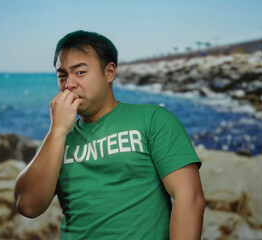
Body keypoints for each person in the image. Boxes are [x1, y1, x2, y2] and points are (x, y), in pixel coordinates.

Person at [14, 30, 205, 239]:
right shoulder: (57, 140)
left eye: (80, 73)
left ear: (109, 72)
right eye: (62, 75)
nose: (69, 84)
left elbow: (190, 198)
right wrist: (57, 131)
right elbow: (28, 206)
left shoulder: (154, 120)